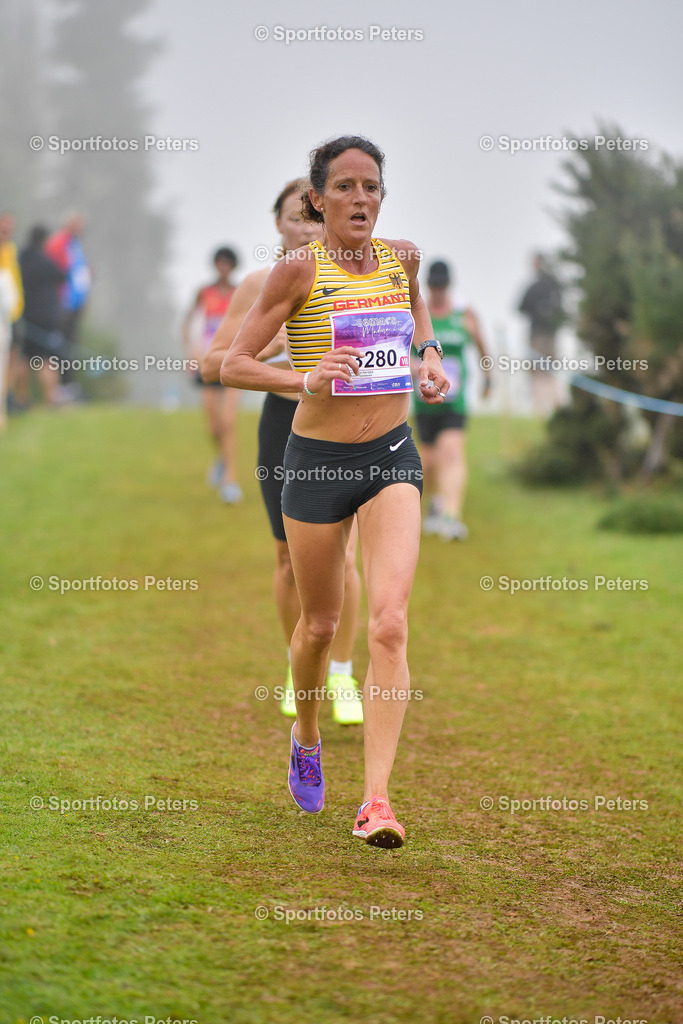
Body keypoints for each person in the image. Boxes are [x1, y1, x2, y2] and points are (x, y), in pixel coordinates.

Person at [220, 136, 449, 848]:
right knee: (319, 626)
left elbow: (418, 320)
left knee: (386, 623)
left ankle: (376, 800)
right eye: (344, 187)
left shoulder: (401, 258)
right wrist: (303, 379)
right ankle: (308, 731)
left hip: (390, 457)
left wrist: (430, 358)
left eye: (371, 186)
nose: (360, 199)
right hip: (314, 460)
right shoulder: (294, 271)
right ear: (317, 200)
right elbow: (232, 364)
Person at [203, 180, 363, 726]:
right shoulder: (257, 284)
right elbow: (213, 364)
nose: (307, 226)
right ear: (277, 223)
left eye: (315, 217)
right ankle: (299, 668)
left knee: (344, 556)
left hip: (347, 424)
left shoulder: (353, 274)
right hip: (284, 425)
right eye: (296, 217)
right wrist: (279, 359)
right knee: (288, 560)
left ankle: (342, 676)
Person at [415, 260, 491, 540]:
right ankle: (437, 504)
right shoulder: (419, 315)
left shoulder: (463, 313)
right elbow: (405, 354)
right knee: (430, 460)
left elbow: (483, 346)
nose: (437, 291)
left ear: (448, 285)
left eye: (441, 286)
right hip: (423, 400)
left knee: (452, 451)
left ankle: (452, 516)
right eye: (433, 286)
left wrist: (488, 378)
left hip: (454, 400)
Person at [183, 247, 243, 503]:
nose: (224, 266)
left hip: (231, 361)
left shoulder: (240, 293)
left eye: (228, 262)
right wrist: (191, 352)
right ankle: (221, 459)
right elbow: (188, 323)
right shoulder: (203, 292)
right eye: (220, 262)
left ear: (233, 266)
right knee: (212, 425)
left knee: (228, 421)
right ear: (215, 264)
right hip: (207, 361)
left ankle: (230, 480)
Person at [19, 226, 68, 407]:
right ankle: (51, 398)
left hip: (26, 314)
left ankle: (21, 397)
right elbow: (63, 276)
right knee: (47, 358)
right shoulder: (47, 261)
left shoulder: (22, 258)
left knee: (25, 356)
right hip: (47, 316)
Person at [45, 211, 91, 398]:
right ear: (69, 223)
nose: (81, 227)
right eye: (77, 223)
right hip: (63, 304)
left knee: (70, 346)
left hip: (75, 306)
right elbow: (55, 271)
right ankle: (59, 388)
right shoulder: (59, 242)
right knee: (60, 346)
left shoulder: (75, 244)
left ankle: (69, 386)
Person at [518, 253, 564, 416]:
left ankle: (546, 406)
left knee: (541, 371)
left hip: (542, 337)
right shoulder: (552, 286)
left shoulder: (542, 286)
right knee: (544, 371)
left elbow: (521, 308)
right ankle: (546, 406)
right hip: (543, 335)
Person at [0, 212, 25, 424]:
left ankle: (8, 394)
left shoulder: (11, 249)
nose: (6, 230)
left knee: (13, 355)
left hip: (13, 311)